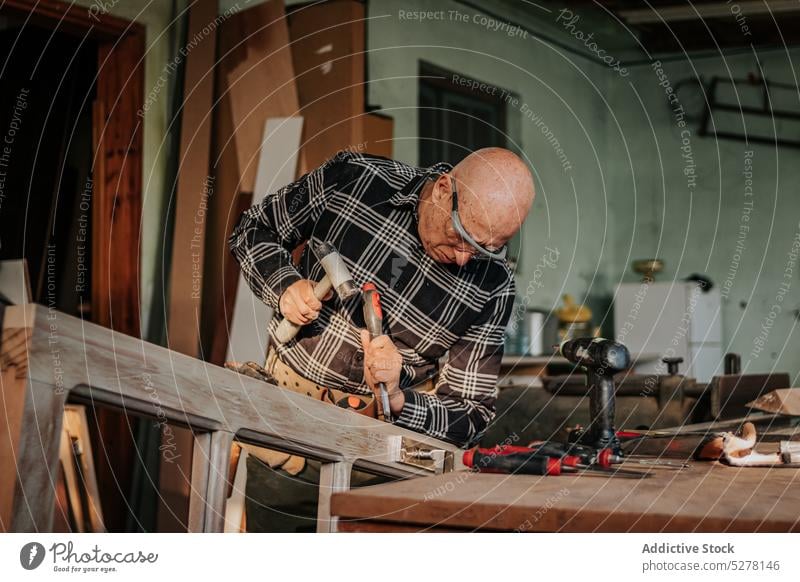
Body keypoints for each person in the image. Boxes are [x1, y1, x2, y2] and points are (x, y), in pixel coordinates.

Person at [228, 147, 534, 531]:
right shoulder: (354, 178)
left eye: (487, 248)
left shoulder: (493, 285)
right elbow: (255, 228)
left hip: (379, 468)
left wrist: (400, 399)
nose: (463, 259)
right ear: (443, 189)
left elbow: (470, 412)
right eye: (462, 236)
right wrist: (284, 285)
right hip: (283, 438)